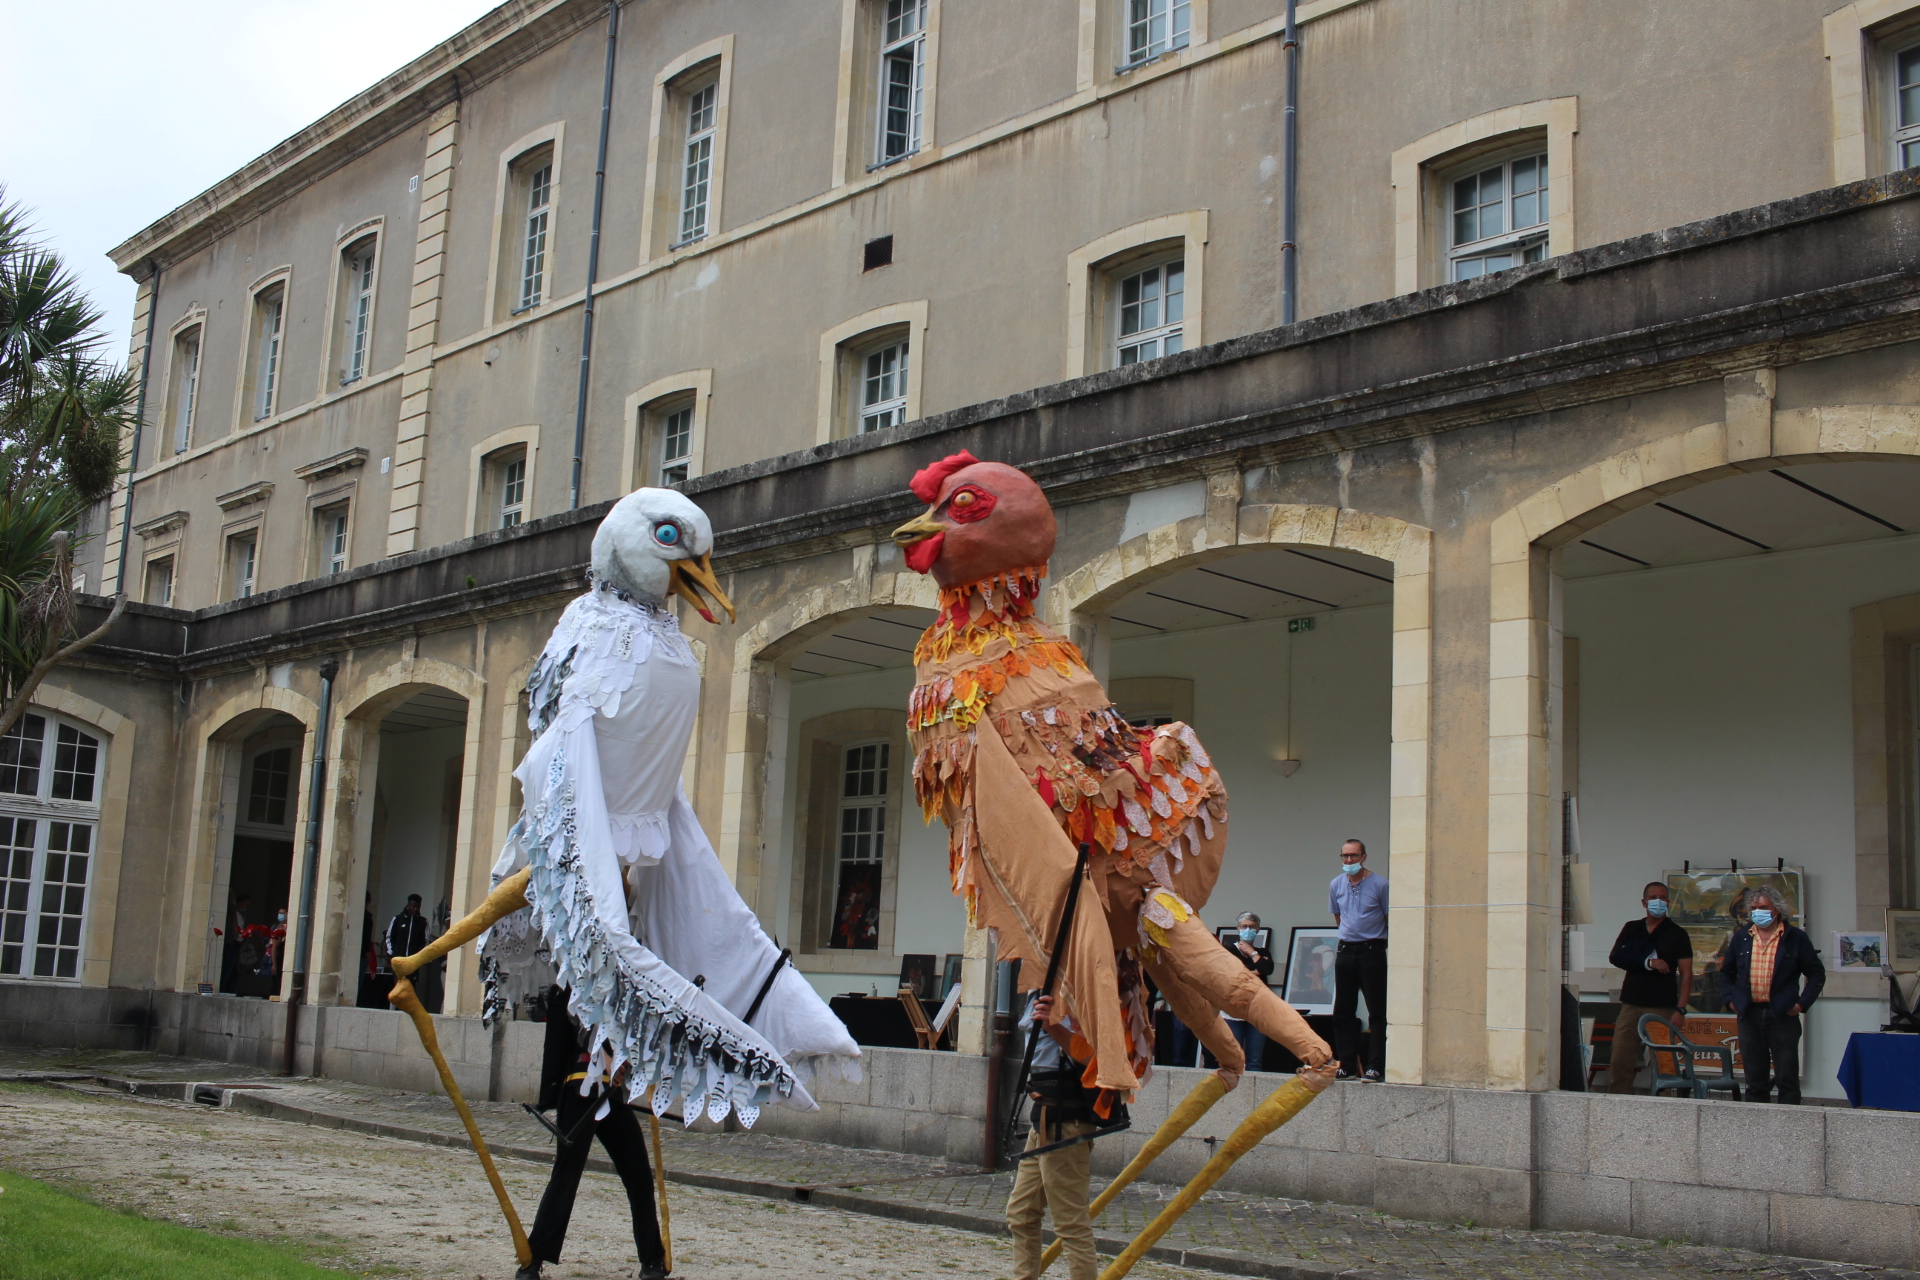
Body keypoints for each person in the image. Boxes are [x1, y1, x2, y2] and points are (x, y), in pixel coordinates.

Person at [519, 989, 669, 1280]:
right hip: (580, 1091)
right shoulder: (576, 985)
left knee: (639, 1176)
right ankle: (532, 1260)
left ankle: (652, 1259)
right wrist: (609, 1056)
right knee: (565, 1177)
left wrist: (629, 1061)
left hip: (613, 1097)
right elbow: (581, 1024)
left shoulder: (627, 987)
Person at [1008, 991, 1124, 1280]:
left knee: (1071, 1224)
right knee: (1021, 1214)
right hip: (1043, 1119)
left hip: (1067, 1121)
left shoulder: (1078, 989)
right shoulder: (1041, 988)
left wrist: (1053, 1027)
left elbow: (1096, 1058)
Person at [1719, 887, 1825, 1105]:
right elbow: (1726, 972)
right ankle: (1757, 1120)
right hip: (1749, 1014)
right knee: (1754, 1078)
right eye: (1754, 908)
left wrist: (1801, 1005)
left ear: (1776, 909)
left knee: (1786, 1076)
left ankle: (1790, 1119)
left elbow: (1816, 974)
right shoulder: (1742, 937)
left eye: (1763, 907)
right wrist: (1730, 1000)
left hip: (1782, 1014)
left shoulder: (1795, 938)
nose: (1757, 912)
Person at [1604, 881, 1693, 1094]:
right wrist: (1648, 962)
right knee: (1620, 1057)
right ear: (1644, 902)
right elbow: (1616, 956)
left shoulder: (1677, 933)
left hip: (1661, 1007)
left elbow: (1687, 974)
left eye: (1662, 898)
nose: (1658, 901)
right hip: (1631, 1004)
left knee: (1664, 1060)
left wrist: (1680, 1009)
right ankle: (1620, 1098)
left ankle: (1664, 1101)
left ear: (1668, 902)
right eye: (1653, 898)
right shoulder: (1632, 928)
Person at [1329, 838, 1388, 1081]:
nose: (1349, 860)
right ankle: (1346, 1065)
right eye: (1345, 856)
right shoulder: (1336, 884)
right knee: (1343, 1010)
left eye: (1354, 855)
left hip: (1371, 950)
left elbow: (1388, 916)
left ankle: (1375, 1066)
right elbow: (1338, 916)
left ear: (1363, 857)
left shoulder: (1380, 884)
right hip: (1345, 950)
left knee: (1376, 1010)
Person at [1222, 912, 1275, 1070]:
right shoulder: (1228, 950)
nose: (1248, 930)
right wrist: (1255, 971)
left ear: (1258, 929)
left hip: (1257, 1011)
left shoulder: (1262, 952)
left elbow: (1267, 969)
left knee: (1254, 1060)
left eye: (1252, 927)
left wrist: (1252, 953)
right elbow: (1232, 974)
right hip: (1233, 1011)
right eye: (1244, 926)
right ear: (1238, 928)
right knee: (1234, 1058)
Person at [385, 894, 429, 969]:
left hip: (414, 962)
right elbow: (390, 937)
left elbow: (425, 941)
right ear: (408, 905)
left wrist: (419, 955)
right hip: (398, 959)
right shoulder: (397, 919)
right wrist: (391, 952)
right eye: (413, 906)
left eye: (418, 907)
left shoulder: (423, 922)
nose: (416, 909)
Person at [220, 892, 252, 993]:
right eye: (245, 904)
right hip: (232, 944)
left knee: (236, 969)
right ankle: (223, 989)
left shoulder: (241, 915)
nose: (246, 907)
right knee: (228, 968)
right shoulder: (233, 913)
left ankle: (230, 990)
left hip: (239, 945)